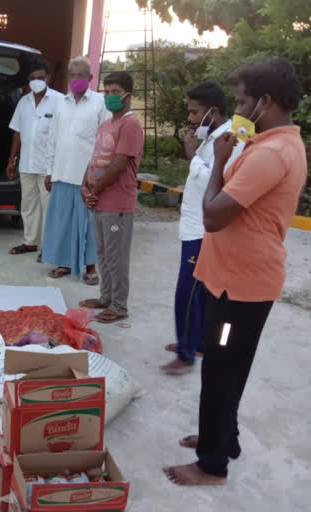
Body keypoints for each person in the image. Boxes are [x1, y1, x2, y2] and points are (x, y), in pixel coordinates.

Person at [163, 57, 307, 486]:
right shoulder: (272, 145)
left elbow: (213, 215)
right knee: (228, 367)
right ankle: (223, 437)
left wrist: (221, 162)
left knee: (222, 371)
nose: (238, 109)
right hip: (230, 278)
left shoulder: (272, 153)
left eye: (243, 100)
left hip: (242, 286)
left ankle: (212, 464)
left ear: (265, 102)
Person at [161, 81, 243, 375]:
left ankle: (186, 354)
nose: (191, 119)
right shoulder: (213, 136)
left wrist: (193, 155)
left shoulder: (230, 141)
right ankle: (197, 342)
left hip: (204, 229)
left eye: (195, 113)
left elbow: (219, 183)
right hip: (195, 224)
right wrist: (195, 154)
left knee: (188, 291)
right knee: (202, 291)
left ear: (214, 111)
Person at [78, 71, 144, 323]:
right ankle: (105, 297)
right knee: (103, 253)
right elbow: (95, 158)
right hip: (99, 200)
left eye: (115, 92)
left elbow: (118, 165)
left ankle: (119, 305)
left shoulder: (131, 124)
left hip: (117, 203)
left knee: (117, 256)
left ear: (128, 94)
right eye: (107, 92)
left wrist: (94, 191)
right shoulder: (106, 124)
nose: (110, 97)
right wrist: (85, 187)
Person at [42, 56, 110, 283]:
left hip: (87, 175)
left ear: (90, 78)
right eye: (72, 75)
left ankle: (90, 267)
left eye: (81, 75)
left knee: (89, 223)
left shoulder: (100, 103)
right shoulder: (61, 102)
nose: (76, 80)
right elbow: (52, 137)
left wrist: (98, 174)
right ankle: (64, 263)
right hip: (61, 171)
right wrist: (49, 170)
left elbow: (105, 140)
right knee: (62, 220)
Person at [6, 57, 63, 258]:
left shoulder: (59, 101)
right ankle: (30, 242)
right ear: (28, 80)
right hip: (27, 163)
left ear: (48, 77)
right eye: (32, 78)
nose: (36, 81)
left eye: (40, 77)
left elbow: (64, 136)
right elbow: (17, 133)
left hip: (49, 167)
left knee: (48, 207)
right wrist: (11, 159)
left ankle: (48, 247)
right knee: (28, 206)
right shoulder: (24, 101)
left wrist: (55, 169)